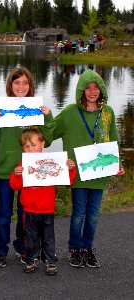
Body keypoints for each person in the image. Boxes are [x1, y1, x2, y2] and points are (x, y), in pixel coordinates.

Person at [53, 69, 125, 268]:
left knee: (93, 214)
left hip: (99, 173)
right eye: (88, 88)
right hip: (78, 174)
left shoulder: (108, 112)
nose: (92, 91)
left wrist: (117, 164)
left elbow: (113, 140)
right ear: (81, 91)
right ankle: (74, 248)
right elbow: (50, 131)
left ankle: (88, 248)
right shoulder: (69, 112)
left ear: (101, 90)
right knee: (79, 214)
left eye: (96, 87)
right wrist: (38, 118)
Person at [0, 66, 55, 268]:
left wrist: (48, 117)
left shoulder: (36, 109)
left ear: (30, 85)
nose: (21, 86)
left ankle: (23, 248)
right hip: (7, 170)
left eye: (25, 82)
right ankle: (0, 250)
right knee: (4, 213)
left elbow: (48, 141)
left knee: (25, 214)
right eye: (17, 82)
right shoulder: (1, 107)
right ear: (10, 85)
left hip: (31, 171)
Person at [10, 128, 76, 275]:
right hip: (29, 210)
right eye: (26, 147)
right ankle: (31, 259)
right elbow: (14, 186)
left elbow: (67, 182)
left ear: (42, 144)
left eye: (34, 145)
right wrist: (16, 174)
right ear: (23, 148)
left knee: (48, 238)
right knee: (31, 238)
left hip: (47, 209)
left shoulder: (52, 162)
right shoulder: (23, 165)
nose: (31, 149)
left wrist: (70, 169)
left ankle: (50, 260)